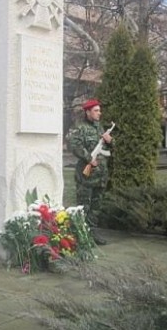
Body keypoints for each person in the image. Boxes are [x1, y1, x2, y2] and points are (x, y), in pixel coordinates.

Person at [66, 99, 113, 246]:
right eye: (96, 111)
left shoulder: (99, 128)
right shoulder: (79, 128)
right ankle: (79, 236)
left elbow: (110, 149)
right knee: (83, 207)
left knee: (95, 208)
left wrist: (110, 141)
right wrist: (88, 158)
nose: (99, 113)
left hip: (100, 176)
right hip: (86, 177)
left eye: (99, 110)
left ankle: (92, 234)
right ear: (88, 112)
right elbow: (73, 145)